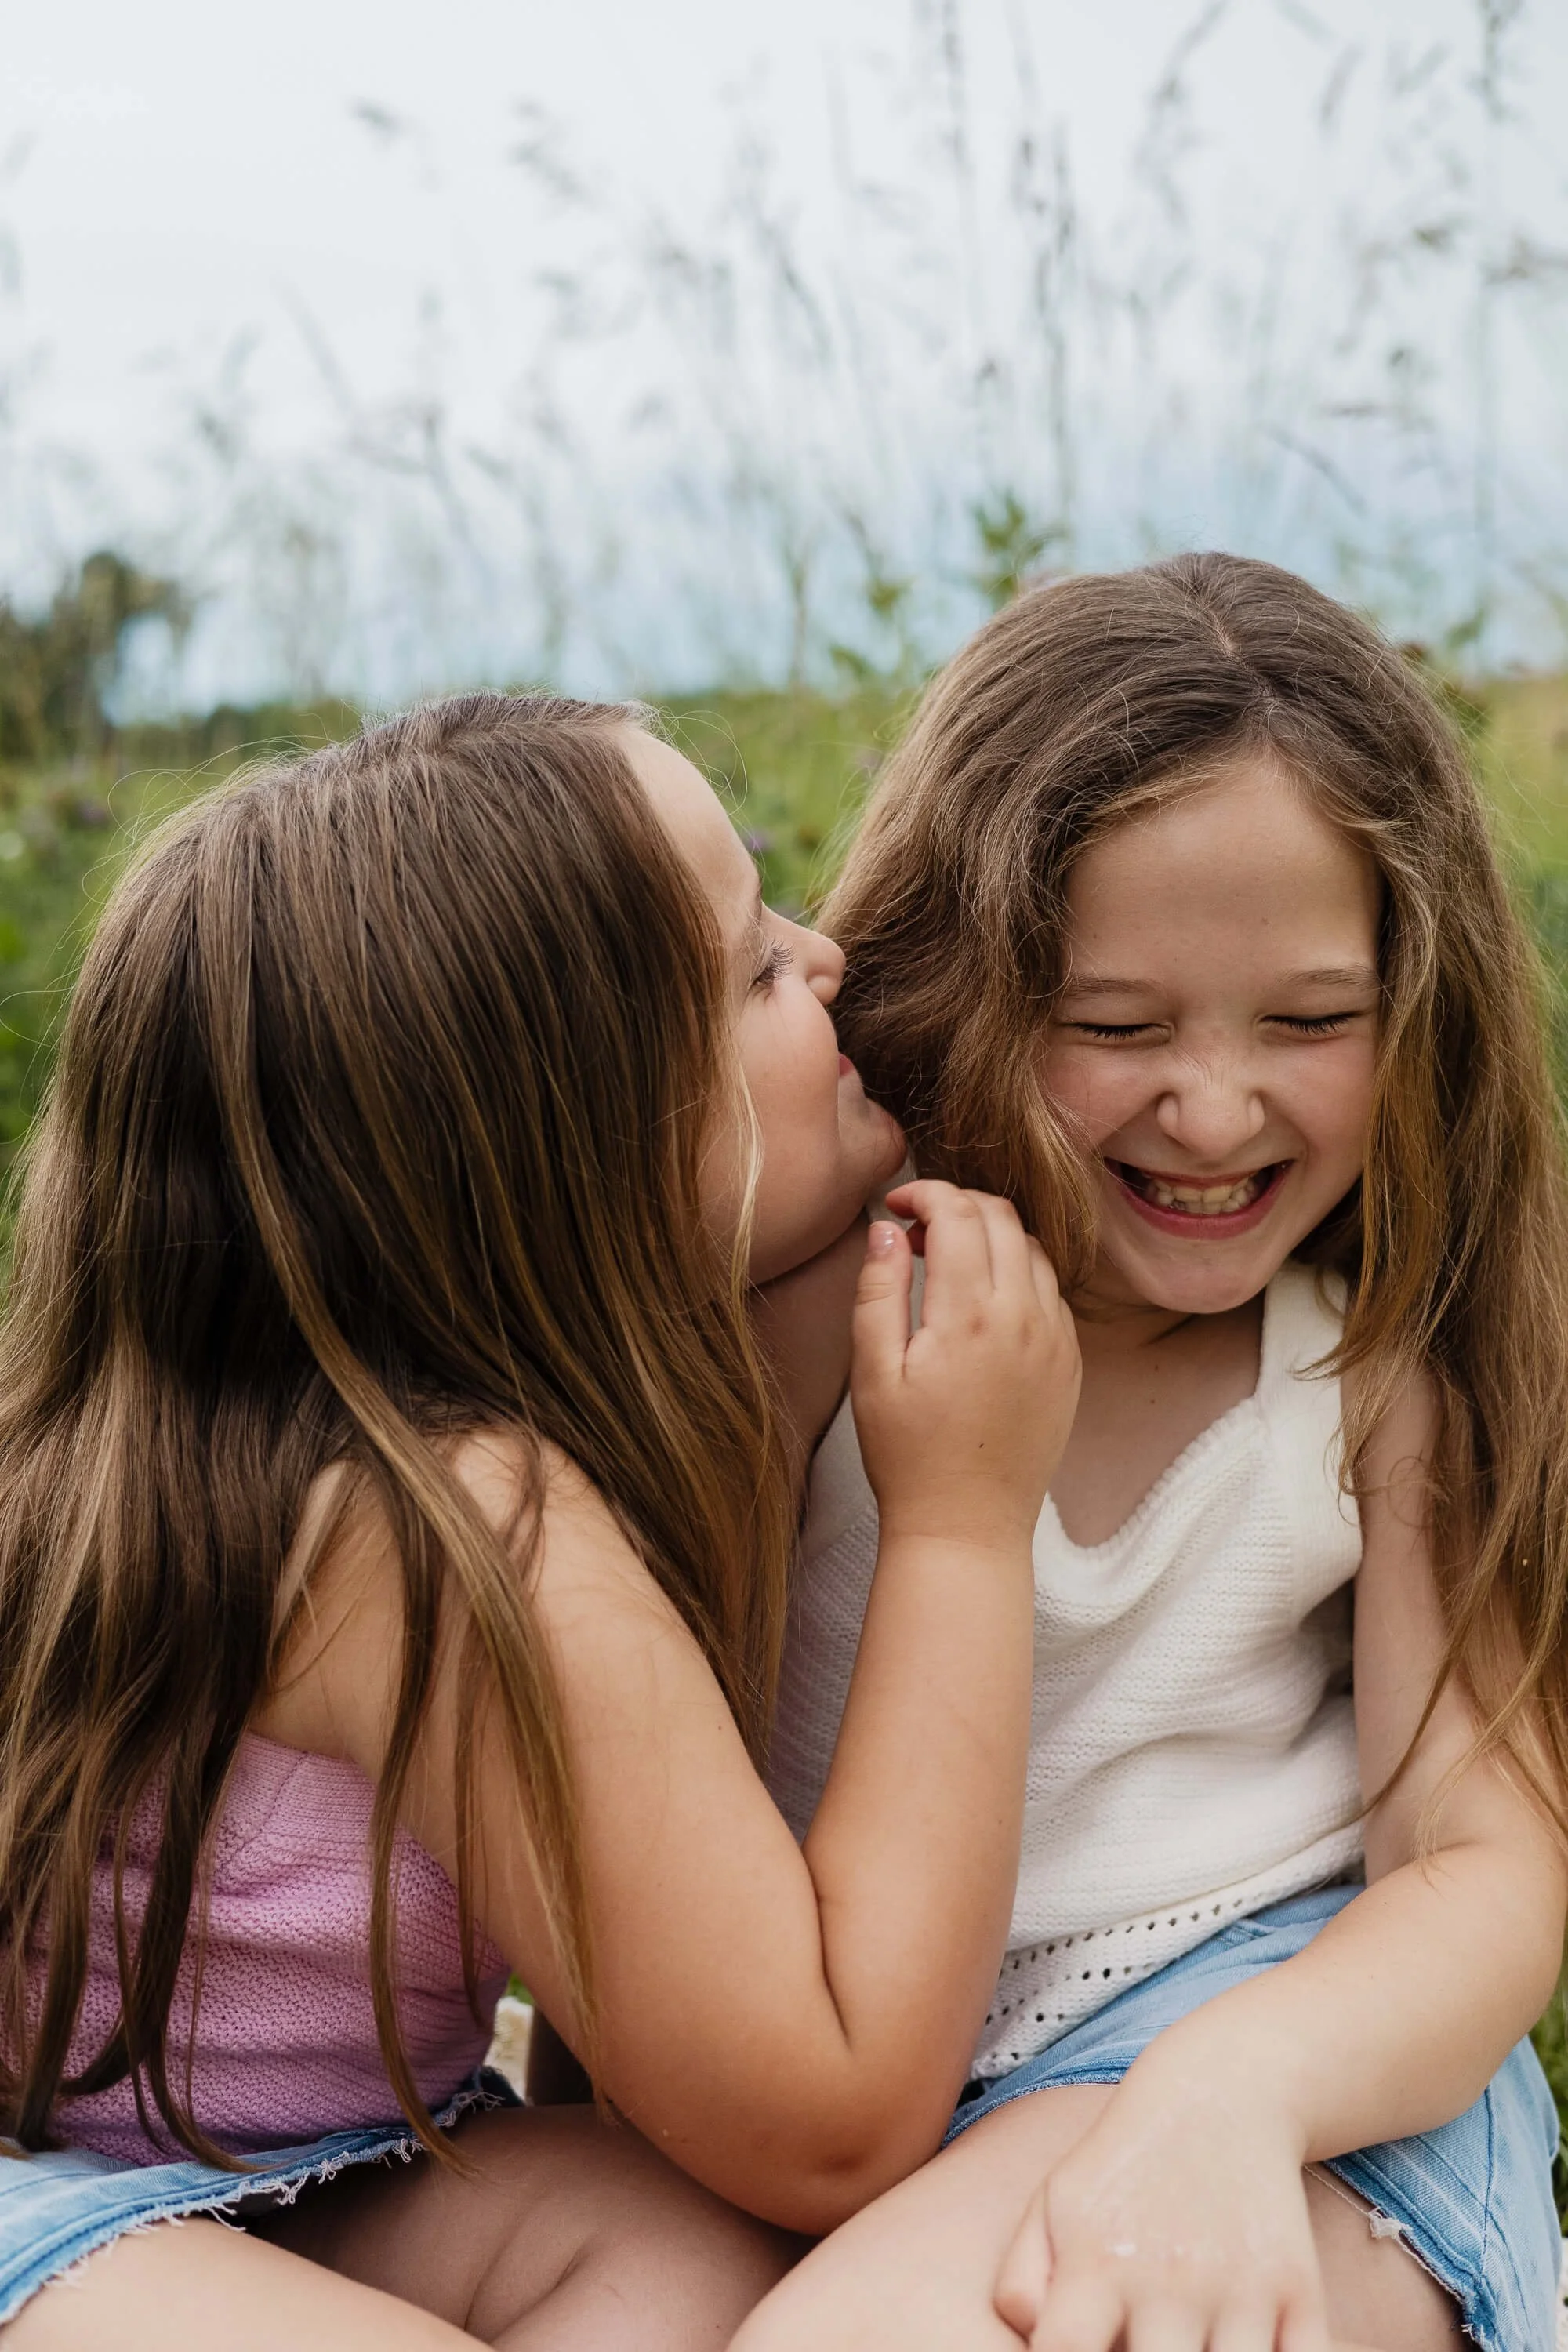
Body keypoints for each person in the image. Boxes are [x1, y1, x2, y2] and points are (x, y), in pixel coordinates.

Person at [0, 692, 1080, 2348]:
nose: (831, 961)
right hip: (41, 2199)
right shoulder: (438, 1524)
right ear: (581, 1140)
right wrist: (959, 1524)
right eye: (752, 972)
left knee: (685, 2261)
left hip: (303, 2172)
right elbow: (836, 2113)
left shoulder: (278, 1420)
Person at [742, 555, 1568, 2352]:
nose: (1212, 1108)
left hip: (1308, 2064)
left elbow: (1481, 1865)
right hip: (863, 2090)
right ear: (962, 980)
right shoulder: (820, 1317)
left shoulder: (1366, 1372)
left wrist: (1227, 2094)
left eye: (1311, 1022)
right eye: (1114, 1029)